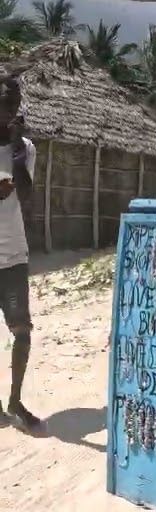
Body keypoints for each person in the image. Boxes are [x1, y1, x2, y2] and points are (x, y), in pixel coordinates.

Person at [0, 77, 39, 432]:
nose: (8, 109)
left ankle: (15, 401)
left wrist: (14, 148)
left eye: (13, 102)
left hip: (13, 254)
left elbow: (24, 195)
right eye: (3, 102)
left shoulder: (25, 148)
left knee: (22, 332)